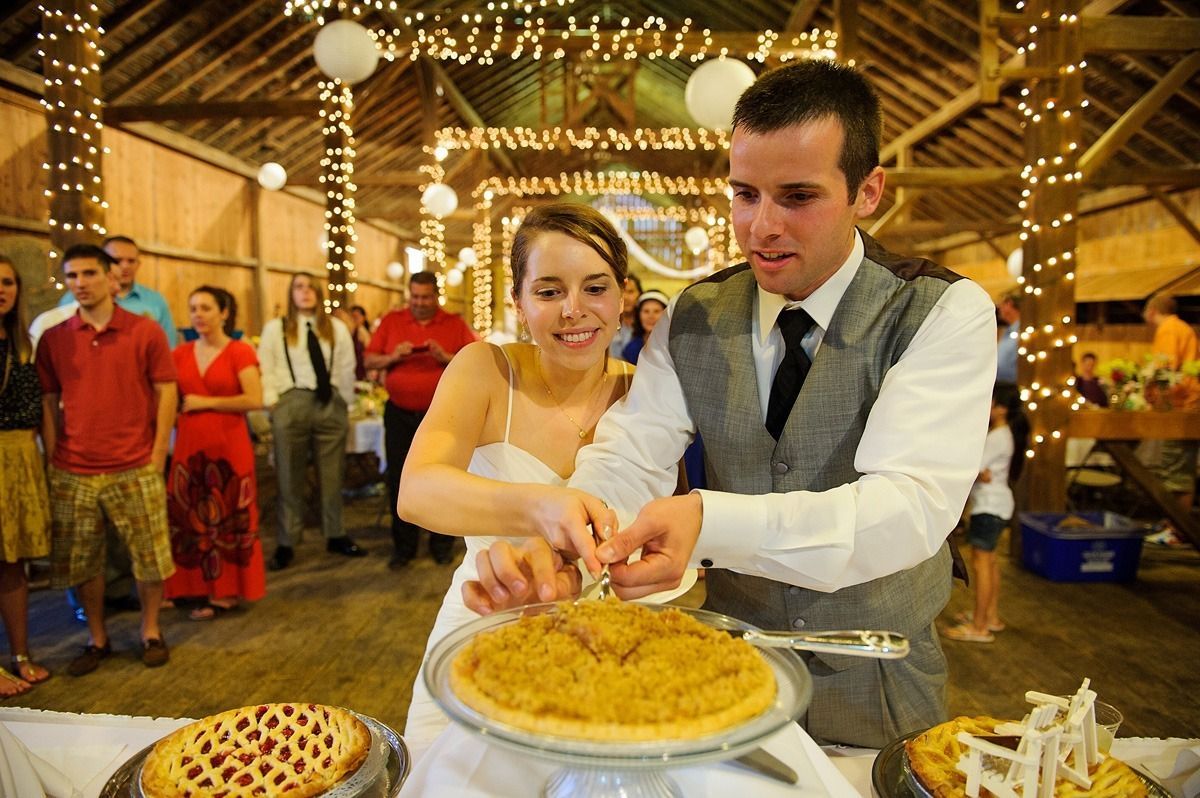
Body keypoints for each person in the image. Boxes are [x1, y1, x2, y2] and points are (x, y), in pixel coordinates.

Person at [470, 61, 996, 748]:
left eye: (797, 196)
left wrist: (710, 521)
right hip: (725, 678)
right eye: (745, 194)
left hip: (879, 686)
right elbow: (633, 451)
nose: (762, 227)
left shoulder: (940, 311)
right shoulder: (696, 313)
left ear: (868, 192)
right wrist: (576, 532)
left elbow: (909, 509)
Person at [395, 203, 635, 756]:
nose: (574, 311)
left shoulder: (647, 394)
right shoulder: (484, 369)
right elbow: (417, 491)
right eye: (549, 292)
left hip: (606, 635)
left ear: (621, 298)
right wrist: (543, 509)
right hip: (487, 611)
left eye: (594, 288)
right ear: (520, 305)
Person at [37, 244, 178, 673]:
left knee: (149, 556)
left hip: (135, 462)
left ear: (109, 277)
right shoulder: (54, 338)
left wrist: (157, 454)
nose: (79, 283)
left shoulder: (144, 330)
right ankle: (96, 638)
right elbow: (48, 400)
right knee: (83, 560)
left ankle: (150, 630)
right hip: (74, 467)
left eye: (88, 274)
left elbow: (166, 391)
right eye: (71, 276)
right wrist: (53, 456)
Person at [163, 287, 265, 619]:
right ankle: (187, 587)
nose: (198, 314)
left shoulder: (239, 351)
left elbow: (254, 399)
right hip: (189, 446)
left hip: (228, 446)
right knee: (186, 516)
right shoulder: (179, 354)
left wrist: (206, 402)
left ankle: (226, 591)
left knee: (226, 518)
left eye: (206, 308)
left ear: (224, 313)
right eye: (193, 308)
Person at [364, 272, 477, 569]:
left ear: (436, 296)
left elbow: (478, 362)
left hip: (443, 414)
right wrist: (392, 357)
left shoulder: (453, 323)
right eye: (415, 297)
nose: (420, 303)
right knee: (399, 478)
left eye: (426, 297)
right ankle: (404, 547)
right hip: (400, 412)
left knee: (445, 477)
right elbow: (369, 360)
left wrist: (446, 357)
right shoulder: (392, 321)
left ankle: (442, 544)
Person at [258, 274, 359, 570]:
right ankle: (287, 540)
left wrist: (344, 403)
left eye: (310, 288)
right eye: (299, 288)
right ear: (291, 294)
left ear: (319, 293)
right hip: (292, 401)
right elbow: (267, 365)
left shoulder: (336, 328)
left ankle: (335, 533)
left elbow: (345, 365)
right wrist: (273, 402)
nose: (305, 293)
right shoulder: (276, 329)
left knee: (332, 474)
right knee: (289, 474)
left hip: (330, 402)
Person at [0, 254, 52, 695]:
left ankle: (20, 655)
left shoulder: (22, 342)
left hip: (21, 456)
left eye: (8, 282)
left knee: (15, 563)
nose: (2, 290)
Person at [944, 385, 1024, 643]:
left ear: (1001, 407)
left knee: (981, 565)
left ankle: (979, 627)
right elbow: (983, 471)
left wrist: (974, 469)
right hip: (997, 504)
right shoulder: (1004, 434)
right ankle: (989, 616)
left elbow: (974, 467)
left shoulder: (997, 437)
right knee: (989, 563)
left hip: (989, 506)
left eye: (991, 401)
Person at [58, 236, 177, 347]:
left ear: (138, 264)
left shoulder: (155, 300)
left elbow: (169, 346)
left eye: (131, 261)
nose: (125, 266)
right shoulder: (71, 300)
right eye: (117, 260)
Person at [1143, 293, 1198, 523]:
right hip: (1190, 404)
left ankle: (1177, 529)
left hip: (1178, 407)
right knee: (1181, 468)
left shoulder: (1168, 329)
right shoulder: (1183, 328)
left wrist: (1149, 392)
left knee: (1175, 471)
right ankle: (1176, 527)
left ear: (1152, 311)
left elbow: (1164, 369)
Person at [620, 289, 669, 365]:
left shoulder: (674, 346)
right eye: (646, 311)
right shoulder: (632, 348)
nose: (651, 316)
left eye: (656, 311)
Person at [609, 273, 643, 360]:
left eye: (630, 292)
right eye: (621, 292)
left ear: (640, 294)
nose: (626, 297)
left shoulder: (646, 325)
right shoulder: (609, 323)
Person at [995, 290, 1020, 387]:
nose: (999, 307)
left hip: (1011, 388)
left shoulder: (1021, 331)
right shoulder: (1008, 331)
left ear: (1009, 304)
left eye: (1001, 303)